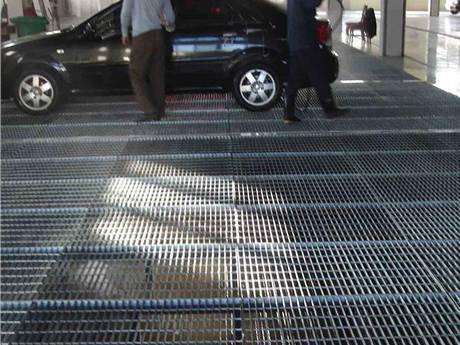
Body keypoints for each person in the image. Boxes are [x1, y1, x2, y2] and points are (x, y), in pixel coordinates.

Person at [285, 0, 349, 123]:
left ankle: (288, 114)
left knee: (294, 79)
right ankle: (330, 110)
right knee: (319, 76)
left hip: (295, 42)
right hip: (306, 42)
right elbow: (312, 3)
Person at [121, 0, 175, 122]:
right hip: (158, 36)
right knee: (157, 76)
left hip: (141, 37)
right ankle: (159, 111)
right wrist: (167, 23)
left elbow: (125, 12)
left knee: (136, 73)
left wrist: (124, 32)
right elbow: (170, 17)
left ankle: (149, 110)